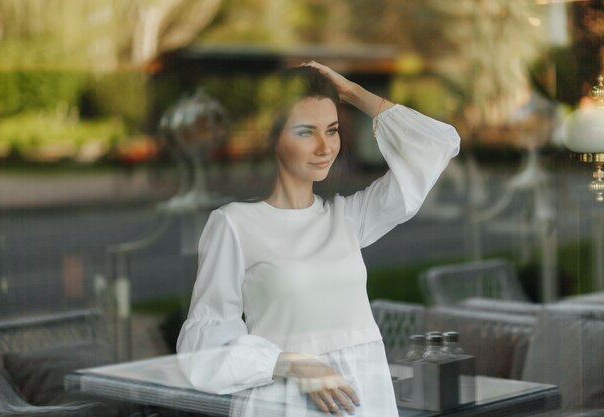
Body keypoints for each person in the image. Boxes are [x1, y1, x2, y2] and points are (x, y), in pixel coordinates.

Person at [176, 61, 460, 417]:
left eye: (333, 129)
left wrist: (354, 93)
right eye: (306, 132)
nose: (325, 147)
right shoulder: (234, 224)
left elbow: (439, 144)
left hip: (364, 399)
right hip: (283, 403)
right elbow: (202, 347)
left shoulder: (348, 218)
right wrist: (292, 363)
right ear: (273, 138)